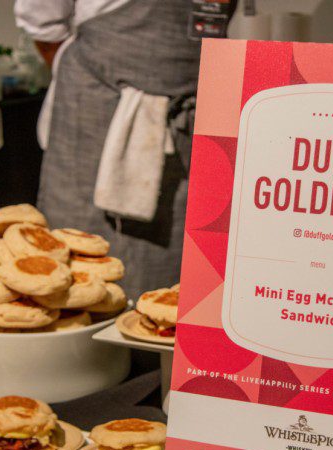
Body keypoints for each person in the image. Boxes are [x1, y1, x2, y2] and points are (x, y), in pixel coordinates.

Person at [14, 1, 233, 296]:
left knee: (177, 281)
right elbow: (42, 18)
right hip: (96, 110)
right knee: (77, 279)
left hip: (194, 111)